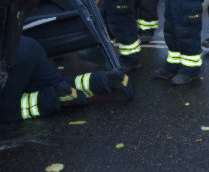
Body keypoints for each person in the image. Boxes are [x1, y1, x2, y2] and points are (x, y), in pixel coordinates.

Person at [0, 36, 133, 122]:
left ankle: (54, 98)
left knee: (6, 111)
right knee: (59, 86)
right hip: (24, 45)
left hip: (12, 57)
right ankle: (104, 80)